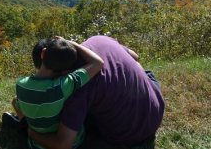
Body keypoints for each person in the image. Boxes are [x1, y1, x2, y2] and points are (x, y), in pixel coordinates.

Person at [27, 35, 165, 149]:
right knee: (137, 67)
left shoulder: (74, 86)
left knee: (80, 118)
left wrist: (32, 132)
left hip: (131, 133)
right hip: (156, 106)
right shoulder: (98, 39)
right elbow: (135, 56)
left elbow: (63, 144)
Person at [11, 37, 104, 149]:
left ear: (43, 53)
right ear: (67, 70)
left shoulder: (21, 84)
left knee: (16, 101)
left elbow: (16, 103)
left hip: (36, 146)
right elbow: (98, 63)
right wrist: (74, 44)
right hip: (73, 144)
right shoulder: (63, 86)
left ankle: (22, 125)